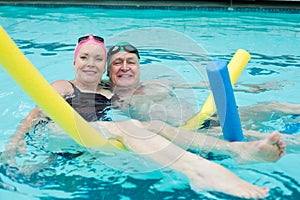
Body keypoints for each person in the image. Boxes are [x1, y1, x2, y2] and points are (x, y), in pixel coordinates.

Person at [1, 34, 284, 199]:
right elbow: (34, 116)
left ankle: (236, 149)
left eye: (97, 59)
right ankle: (197, 172)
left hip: (93, 141)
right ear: (74, 61)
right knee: (129, 127)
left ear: (103, 68)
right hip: (58, 134)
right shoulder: (64, 86)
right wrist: (14, 143)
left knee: (152, 125)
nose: (90, 63)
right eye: (84, 57)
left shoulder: (110, 92)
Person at [105, 42, 299, 151]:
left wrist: (250, 88)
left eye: (130, 62)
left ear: (138, 67)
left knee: (272, 105)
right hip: (190, 134)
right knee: (260, 136)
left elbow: (203, 84)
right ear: (108, 71)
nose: (124, 67)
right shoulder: (109, 96)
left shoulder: (160, 82)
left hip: (205, 118)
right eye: (117, 63)